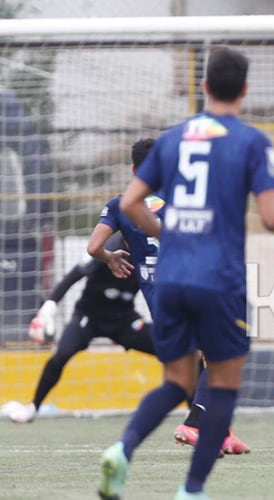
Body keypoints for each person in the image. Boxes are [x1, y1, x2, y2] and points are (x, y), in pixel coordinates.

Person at [97, 46, 274, 500]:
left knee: (177, 381)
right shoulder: (251, 141)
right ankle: (192, 489)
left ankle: (122, 450)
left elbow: (130, 204)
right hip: (218, 277)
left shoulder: (172, 140)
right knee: (221, 384)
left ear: (204, 87)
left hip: (171, 280)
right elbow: (273, 217)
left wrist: (169, 232)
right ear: (244, 89)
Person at [87, 138, 250, 455]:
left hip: (159, 297)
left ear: (134, 170)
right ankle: (194, 424)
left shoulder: (121, 205)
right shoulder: (186, 199)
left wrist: (110, 258)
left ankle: (220, 432)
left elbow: (93, 247)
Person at [6, 234, 154, 423]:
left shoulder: (152, 253)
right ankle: (33, 406)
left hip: (124, 320)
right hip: (88, 317)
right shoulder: (107, 248)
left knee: (174, 350)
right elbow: (73, 276)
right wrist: (48, 309)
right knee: (61, 355)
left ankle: (191, 418)